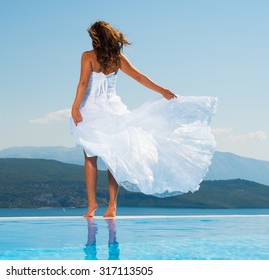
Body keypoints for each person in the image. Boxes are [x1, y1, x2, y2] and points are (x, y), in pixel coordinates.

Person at [71, 21, 217, 218]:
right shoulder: (117, 58)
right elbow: (139, 77)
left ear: (95, 37)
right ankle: (112, 205)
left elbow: (82, 83)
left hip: (92, 110)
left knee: (90, 157)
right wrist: (162, 90)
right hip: (114, 111)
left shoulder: (87, 56)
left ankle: (92, 204)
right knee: (115, 158)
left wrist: (75, 107)